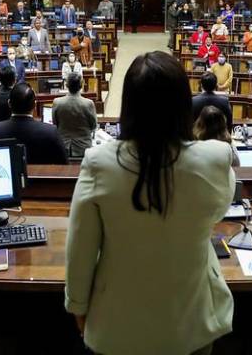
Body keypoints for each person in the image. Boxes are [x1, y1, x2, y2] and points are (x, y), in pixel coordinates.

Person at [64, 51, 234, 355]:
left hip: (116, 328)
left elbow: (80, 248)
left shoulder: (99, 163)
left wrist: (78, 307)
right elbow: (218, 210)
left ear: (128, 105)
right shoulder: (216, 159)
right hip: (192, 325)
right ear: (184, 105)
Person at [0, 83, 68, 164]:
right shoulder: (51, 132)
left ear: (9, 104)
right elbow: (64, 164)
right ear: (34, 106)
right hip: (40, 179)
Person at [52, 72, 97, 157]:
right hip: (83, 148)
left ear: (66, 85)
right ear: (81, 85)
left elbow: (55, 124)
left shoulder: (57, 102)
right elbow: (93, 126)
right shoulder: (88, 103)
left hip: (63, 147)